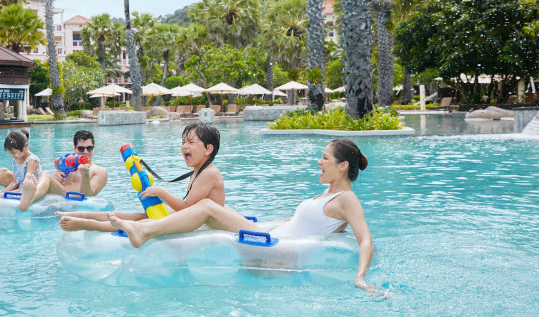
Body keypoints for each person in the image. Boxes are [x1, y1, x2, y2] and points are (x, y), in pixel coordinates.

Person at [108, 138, 379, 295]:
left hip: (279, 250)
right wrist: (255, 223)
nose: (319, 162)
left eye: (325, 158)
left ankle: (145, 232)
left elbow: (365, 239)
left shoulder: (346, 199)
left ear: (342, 166)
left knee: (207, 206)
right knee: (216, 211)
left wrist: (360, 277)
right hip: (272, 236)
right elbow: (298, 223)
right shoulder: (326, 194)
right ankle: (155, 233)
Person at [57, 122, 224, 232]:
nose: (185, 146)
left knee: (144, 222)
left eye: (191, 142)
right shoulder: (198, 171)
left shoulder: (208, 173)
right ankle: (81, 215)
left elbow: (187, 208)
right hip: (195, 221)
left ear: (208, 149)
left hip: (204, 228)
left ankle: (88, 224)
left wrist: (161, 192)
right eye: (183, 142)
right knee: (139, 216)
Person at [19, 130, 108, 212]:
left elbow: (89, 196)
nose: (86, 152)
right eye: (81, 149)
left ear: (93, 148)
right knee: (45, 174)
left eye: (89, 148)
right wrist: (55, 178)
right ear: (75, 148)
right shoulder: (67, 162)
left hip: (74, 201)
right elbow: (50, 181)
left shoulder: (99, 171)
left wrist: (85, 175)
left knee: (46, 175)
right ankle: (29, 195)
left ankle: (30, 198)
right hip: (58, 196)